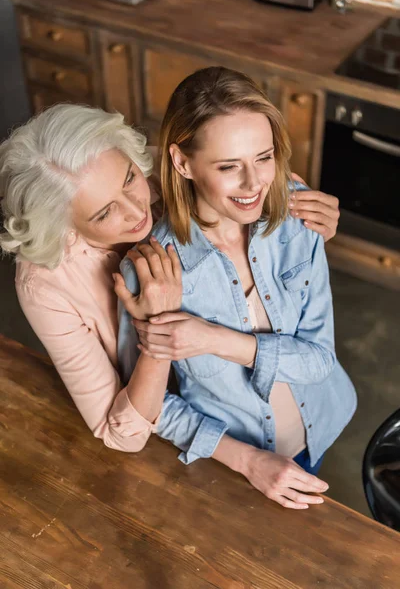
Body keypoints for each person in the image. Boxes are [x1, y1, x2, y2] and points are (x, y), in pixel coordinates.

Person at [0, 102, 339, 455]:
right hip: (175, 437)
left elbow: (259, 180)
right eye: (104, 213)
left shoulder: (175, 168)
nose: (136, 211)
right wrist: (158, 329)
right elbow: (120, 432)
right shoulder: (45, 285)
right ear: (63, 228)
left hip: (291, 411)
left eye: (130, 178)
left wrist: (310, 226)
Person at [118, 67, 357, 510]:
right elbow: (152, 407)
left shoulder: (298, 219)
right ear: (182, 162)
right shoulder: (153, 269)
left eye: (263, 158)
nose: (255, 185)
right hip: (224, 464)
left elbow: (320, 361)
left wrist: (215, 340)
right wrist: (248, 462)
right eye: (229, 166)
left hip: (318, 428)